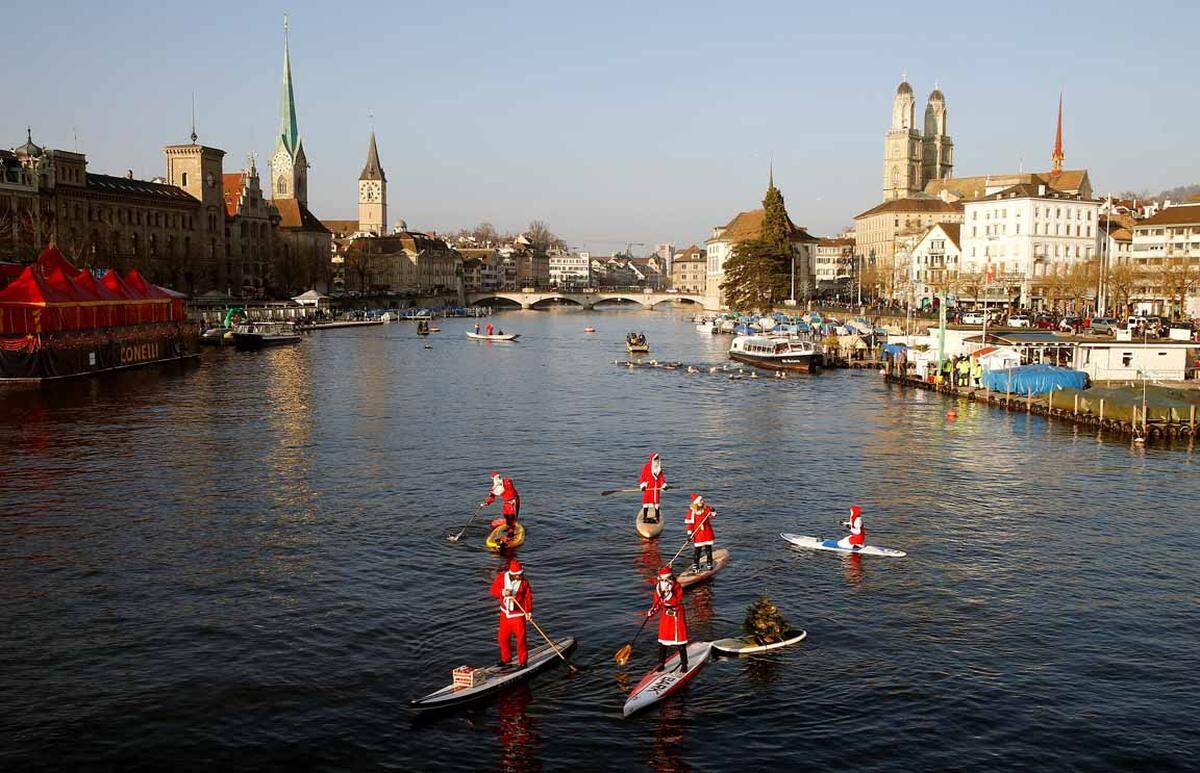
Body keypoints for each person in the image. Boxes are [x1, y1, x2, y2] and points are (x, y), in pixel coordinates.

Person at [490, 559, 533, 668]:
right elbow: (493, 590)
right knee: (502, 638)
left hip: (518, 615)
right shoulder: (501, 578)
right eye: (518, 575)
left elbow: (528, 597)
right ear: (512, 574)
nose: (520, 576)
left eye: (521, 574)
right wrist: (503, 592)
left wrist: (528, 612)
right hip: (505, 615)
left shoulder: (524, 582)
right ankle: (506, 659)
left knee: (520, 640)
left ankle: (523, 662)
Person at [647, 566, 688, 673]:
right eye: (663, 579)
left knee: (680, 642)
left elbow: (677, 601)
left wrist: (668, 594)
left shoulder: (676, 586)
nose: (665, 581)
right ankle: (661, 663)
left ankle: (684, 664)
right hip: (666, 615)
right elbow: (657, 602)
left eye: (668, 579)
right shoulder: (658, 588)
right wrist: (653, 610)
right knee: (663, 642)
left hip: (677, 614)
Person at [684, 493, 716, 570]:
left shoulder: (706, 508)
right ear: (696, 502)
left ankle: (709, 563)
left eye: (702, 500)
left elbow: (712, 515)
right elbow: (690, 524)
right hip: (698, 533)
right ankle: (696, 565)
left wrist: (713, 510)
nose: (702, 501)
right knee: (697, 550)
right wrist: (689, 534)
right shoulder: (692, 512)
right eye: (701, 500)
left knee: (708, 549)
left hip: (707, 531)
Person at [638, 453, 666, 524]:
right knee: (646, 502)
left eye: (657, 459)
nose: (657, 461)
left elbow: (661, 478)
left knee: (656, 503)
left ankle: (657, 518)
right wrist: (643, 485)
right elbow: (643, 477)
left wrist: (664, 486)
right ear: (652, 460)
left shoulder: (659, 469)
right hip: (649, 488)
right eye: (655, 459)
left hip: (656, 489)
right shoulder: (647, 467)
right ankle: (645, 518)